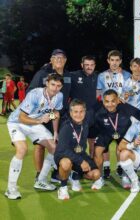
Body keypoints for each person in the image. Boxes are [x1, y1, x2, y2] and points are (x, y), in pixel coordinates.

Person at [5, 74, 63, 199]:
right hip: (17, 123)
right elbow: (22, 117)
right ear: (47, 83)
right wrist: (40, 121)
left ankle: (41, 180)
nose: (55, 88)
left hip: (35, 123)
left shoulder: (59, 96)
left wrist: (56, 132)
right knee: (22, 149)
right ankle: (11, 188)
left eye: (58, 86)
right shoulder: (35, 94)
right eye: (53, 84)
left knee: (54, 147)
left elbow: (55, 113)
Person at [28, 49, 71, 183]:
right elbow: (30, 92)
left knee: (60, 143)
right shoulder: (42, 74)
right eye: (56, 57)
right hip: (43, 115)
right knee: (40, 145)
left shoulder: (69, 76)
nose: (59, 60)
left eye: (62, 58)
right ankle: (39, 174)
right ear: (51, 60)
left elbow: (73, 94)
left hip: (60, 115)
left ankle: (56, 172)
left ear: (65, 60)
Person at [91, 89, 140, 190]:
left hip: (123, 134)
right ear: (103, 101)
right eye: (107, 101)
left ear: (118, 100)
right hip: (105, 133)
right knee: (97, 151)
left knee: (123, 151)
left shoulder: (125, 107)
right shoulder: (97, 109)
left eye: (113, 101)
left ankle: (125, 176)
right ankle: (98, 179)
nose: (110, 104)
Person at [55, 99, 100, 200]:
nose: (78, 115)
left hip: (80, 154)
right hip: (64, 155)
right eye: (75, 112)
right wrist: (81, 161)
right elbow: (63, 150)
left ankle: (75, 175)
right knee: (66, 164)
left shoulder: (86, 122)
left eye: (81, 111)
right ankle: (63, 187)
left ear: (85, 112)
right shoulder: (66, 127)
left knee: (96, 175)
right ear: (70, 113)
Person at [96, 50, 131, 176]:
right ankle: (106, 167)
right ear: (108, 61)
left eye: (117, 60)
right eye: (112, 60)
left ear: (120, 61)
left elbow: (130, 92)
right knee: (105, 140)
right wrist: (105, 102)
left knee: (120, 140)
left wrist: (126, 97)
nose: (115, 63)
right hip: (107, 111)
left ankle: (120, 166)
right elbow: (99, 94)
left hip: (122, 111)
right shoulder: (102, 76)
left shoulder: (127, 75)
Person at [69, 55, 99, 157]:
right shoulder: (73, 75)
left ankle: (91, 163)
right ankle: (77, 166)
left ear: (94, 65)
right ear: (82, 65)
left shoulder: (98, 77)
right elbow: (59, 75)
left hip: (93, 115)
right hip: (78, 115)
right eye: (86, 65)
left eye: (91, 65)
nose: (89, 67)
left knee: (92, 141)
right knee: (78, 142)